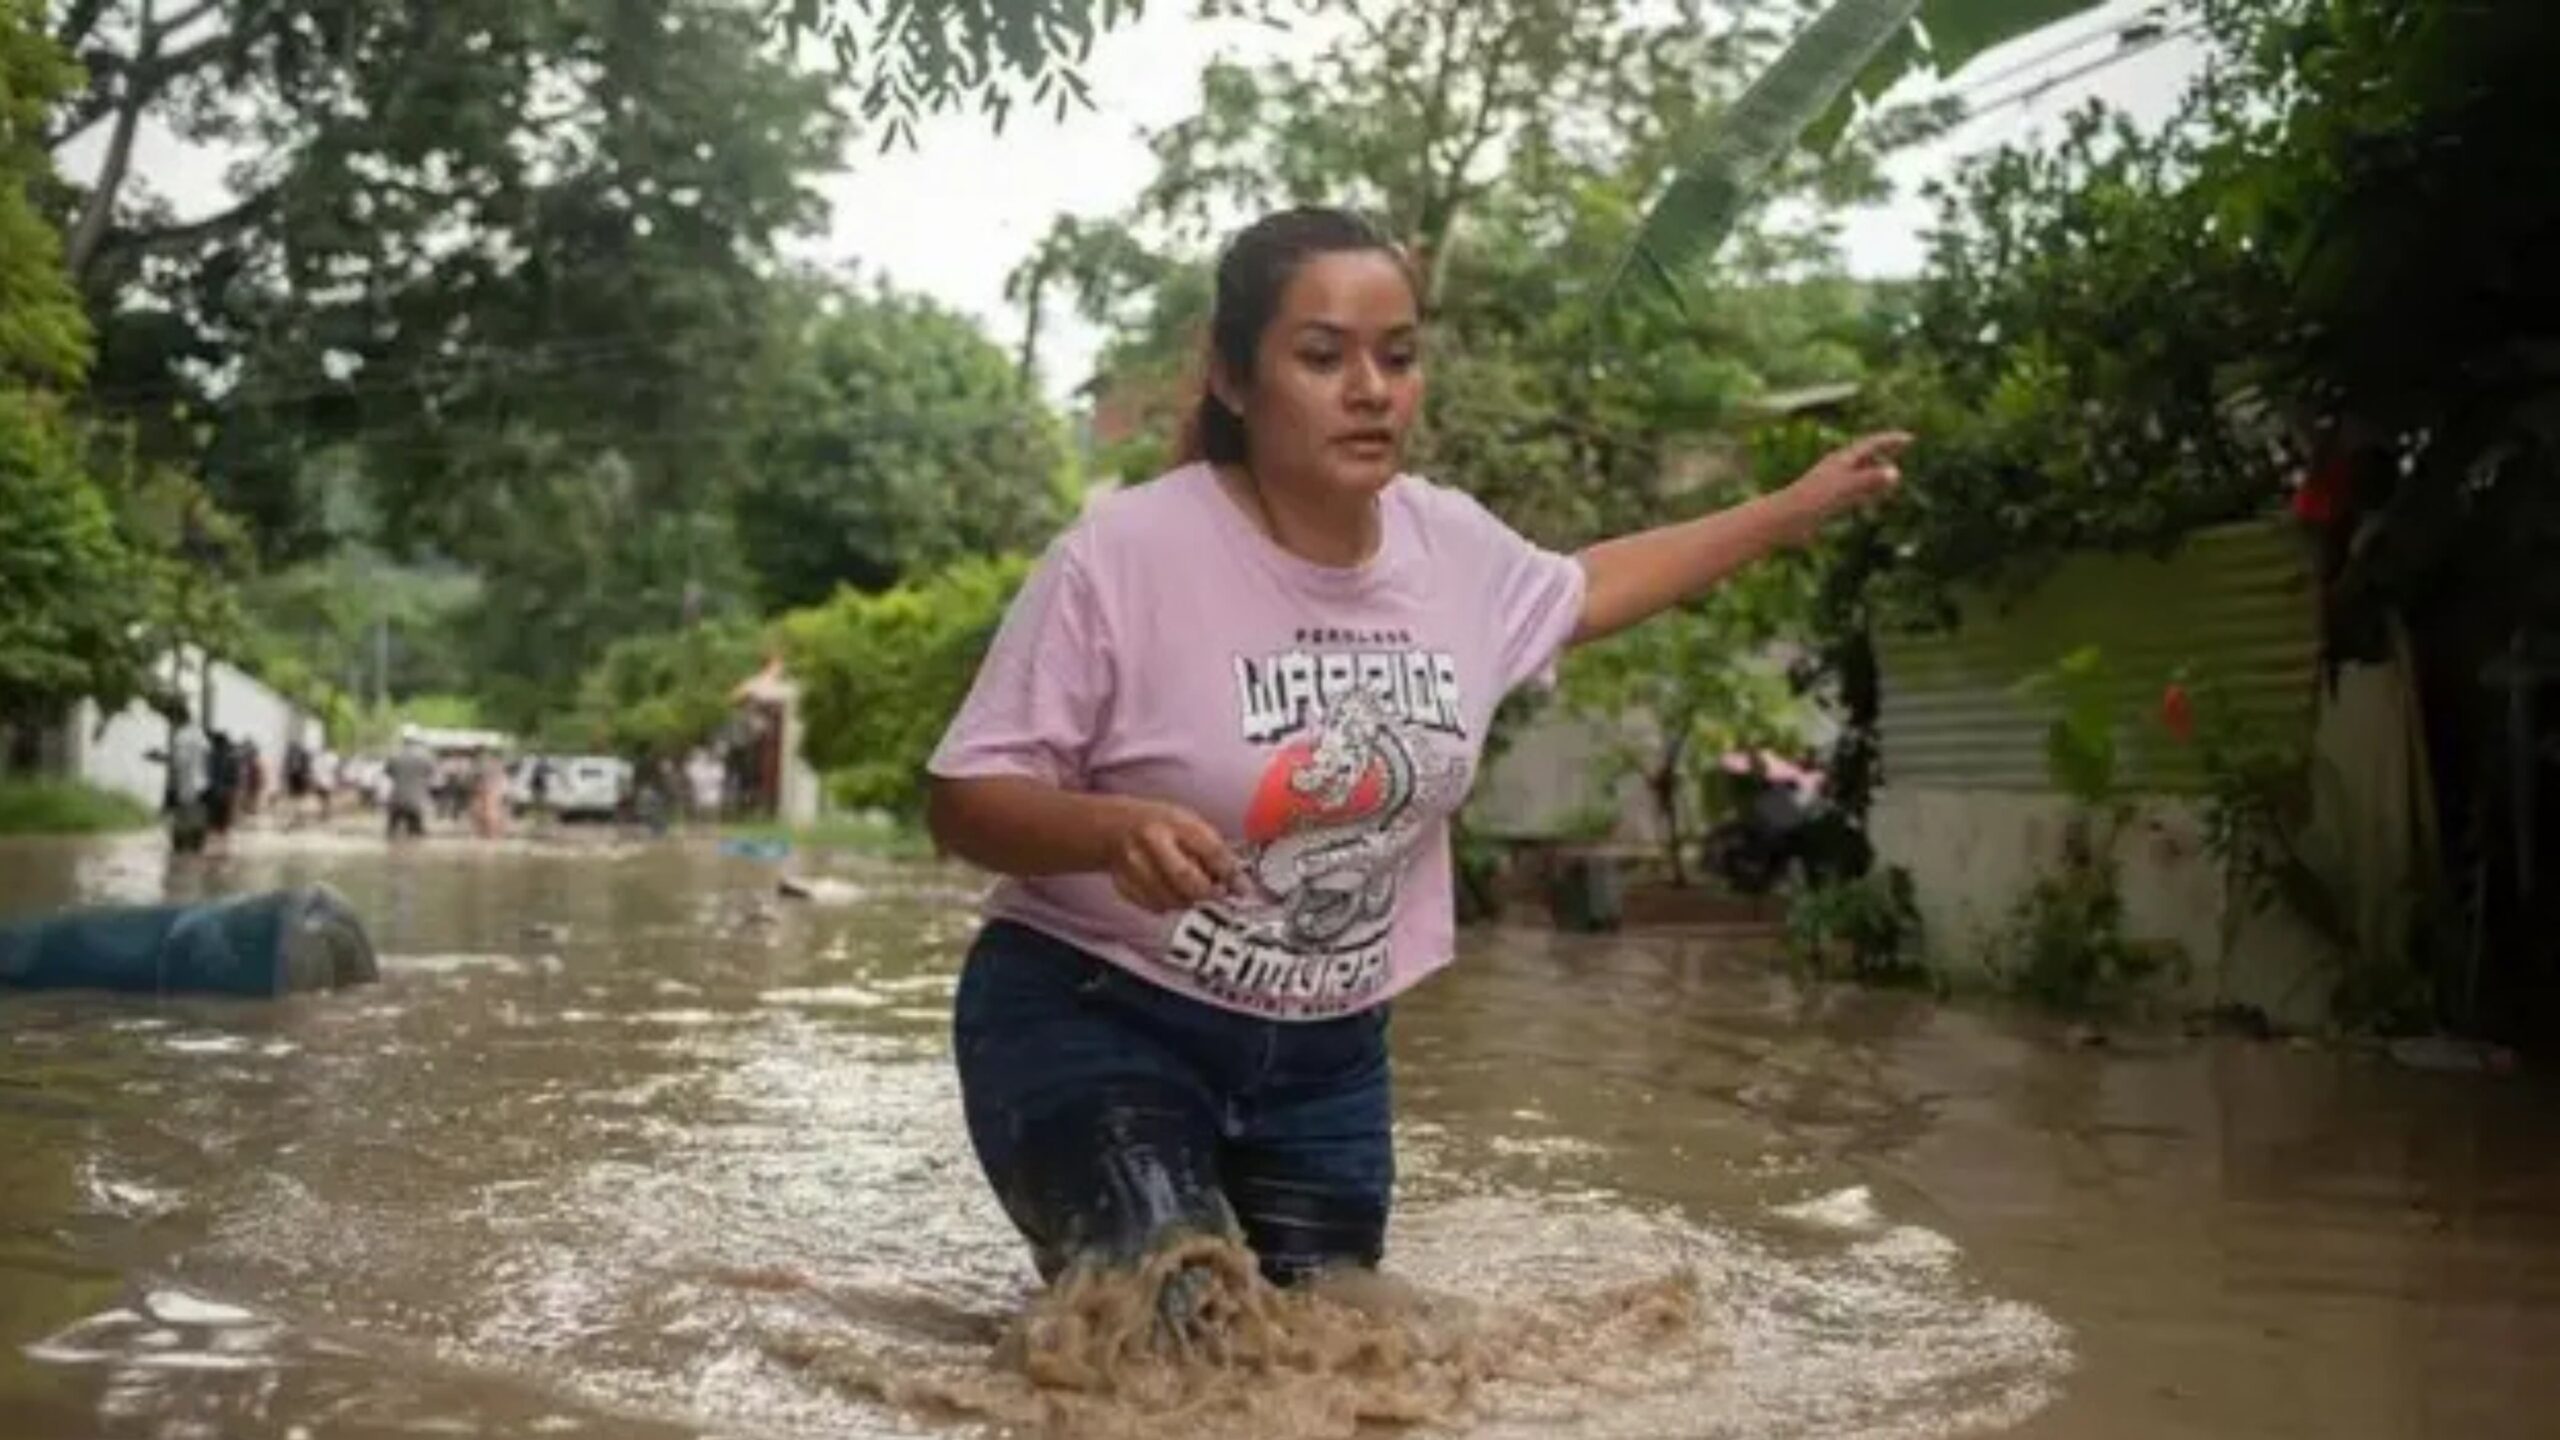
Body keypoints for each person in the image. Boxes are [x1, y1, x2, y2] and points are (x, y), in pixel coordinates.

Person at [924, 208, 1907, 1314]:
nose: (1370, 389)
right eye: (1321, 355)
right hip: (1097, 1013)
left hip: (1325, 1056)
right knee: (1171, 1318)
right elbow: (962, 799)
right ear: (1235, 380)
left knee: (1350, 1340)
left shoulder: (1453, 548)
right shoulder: (1125, 554)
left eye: (1397, 357)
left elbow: (1592, 589)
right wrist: (1106, 831)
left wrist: (1787, 511)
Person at [385, 730, 434, 840]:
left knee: (391, 832)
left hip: (397, 798)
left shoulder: (394, 756)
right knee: (416, 833)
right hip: (416, 800)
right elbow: (430, 773)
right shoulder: (425, 757)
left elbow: (388, 772)